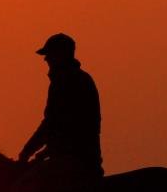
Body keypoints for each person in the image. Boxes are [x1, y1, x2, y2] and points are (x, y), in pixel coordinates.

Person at [18, 33, 104, 178]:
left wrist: (26, 152)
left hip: (73, 161)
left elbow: (53, 124)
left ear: (61, 54)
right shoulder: (77, 79)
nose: (46, 59)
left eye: (49, 54)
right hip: (78, 158)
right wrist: (45, 152)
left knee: (26, 184)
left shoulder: (66, 82)